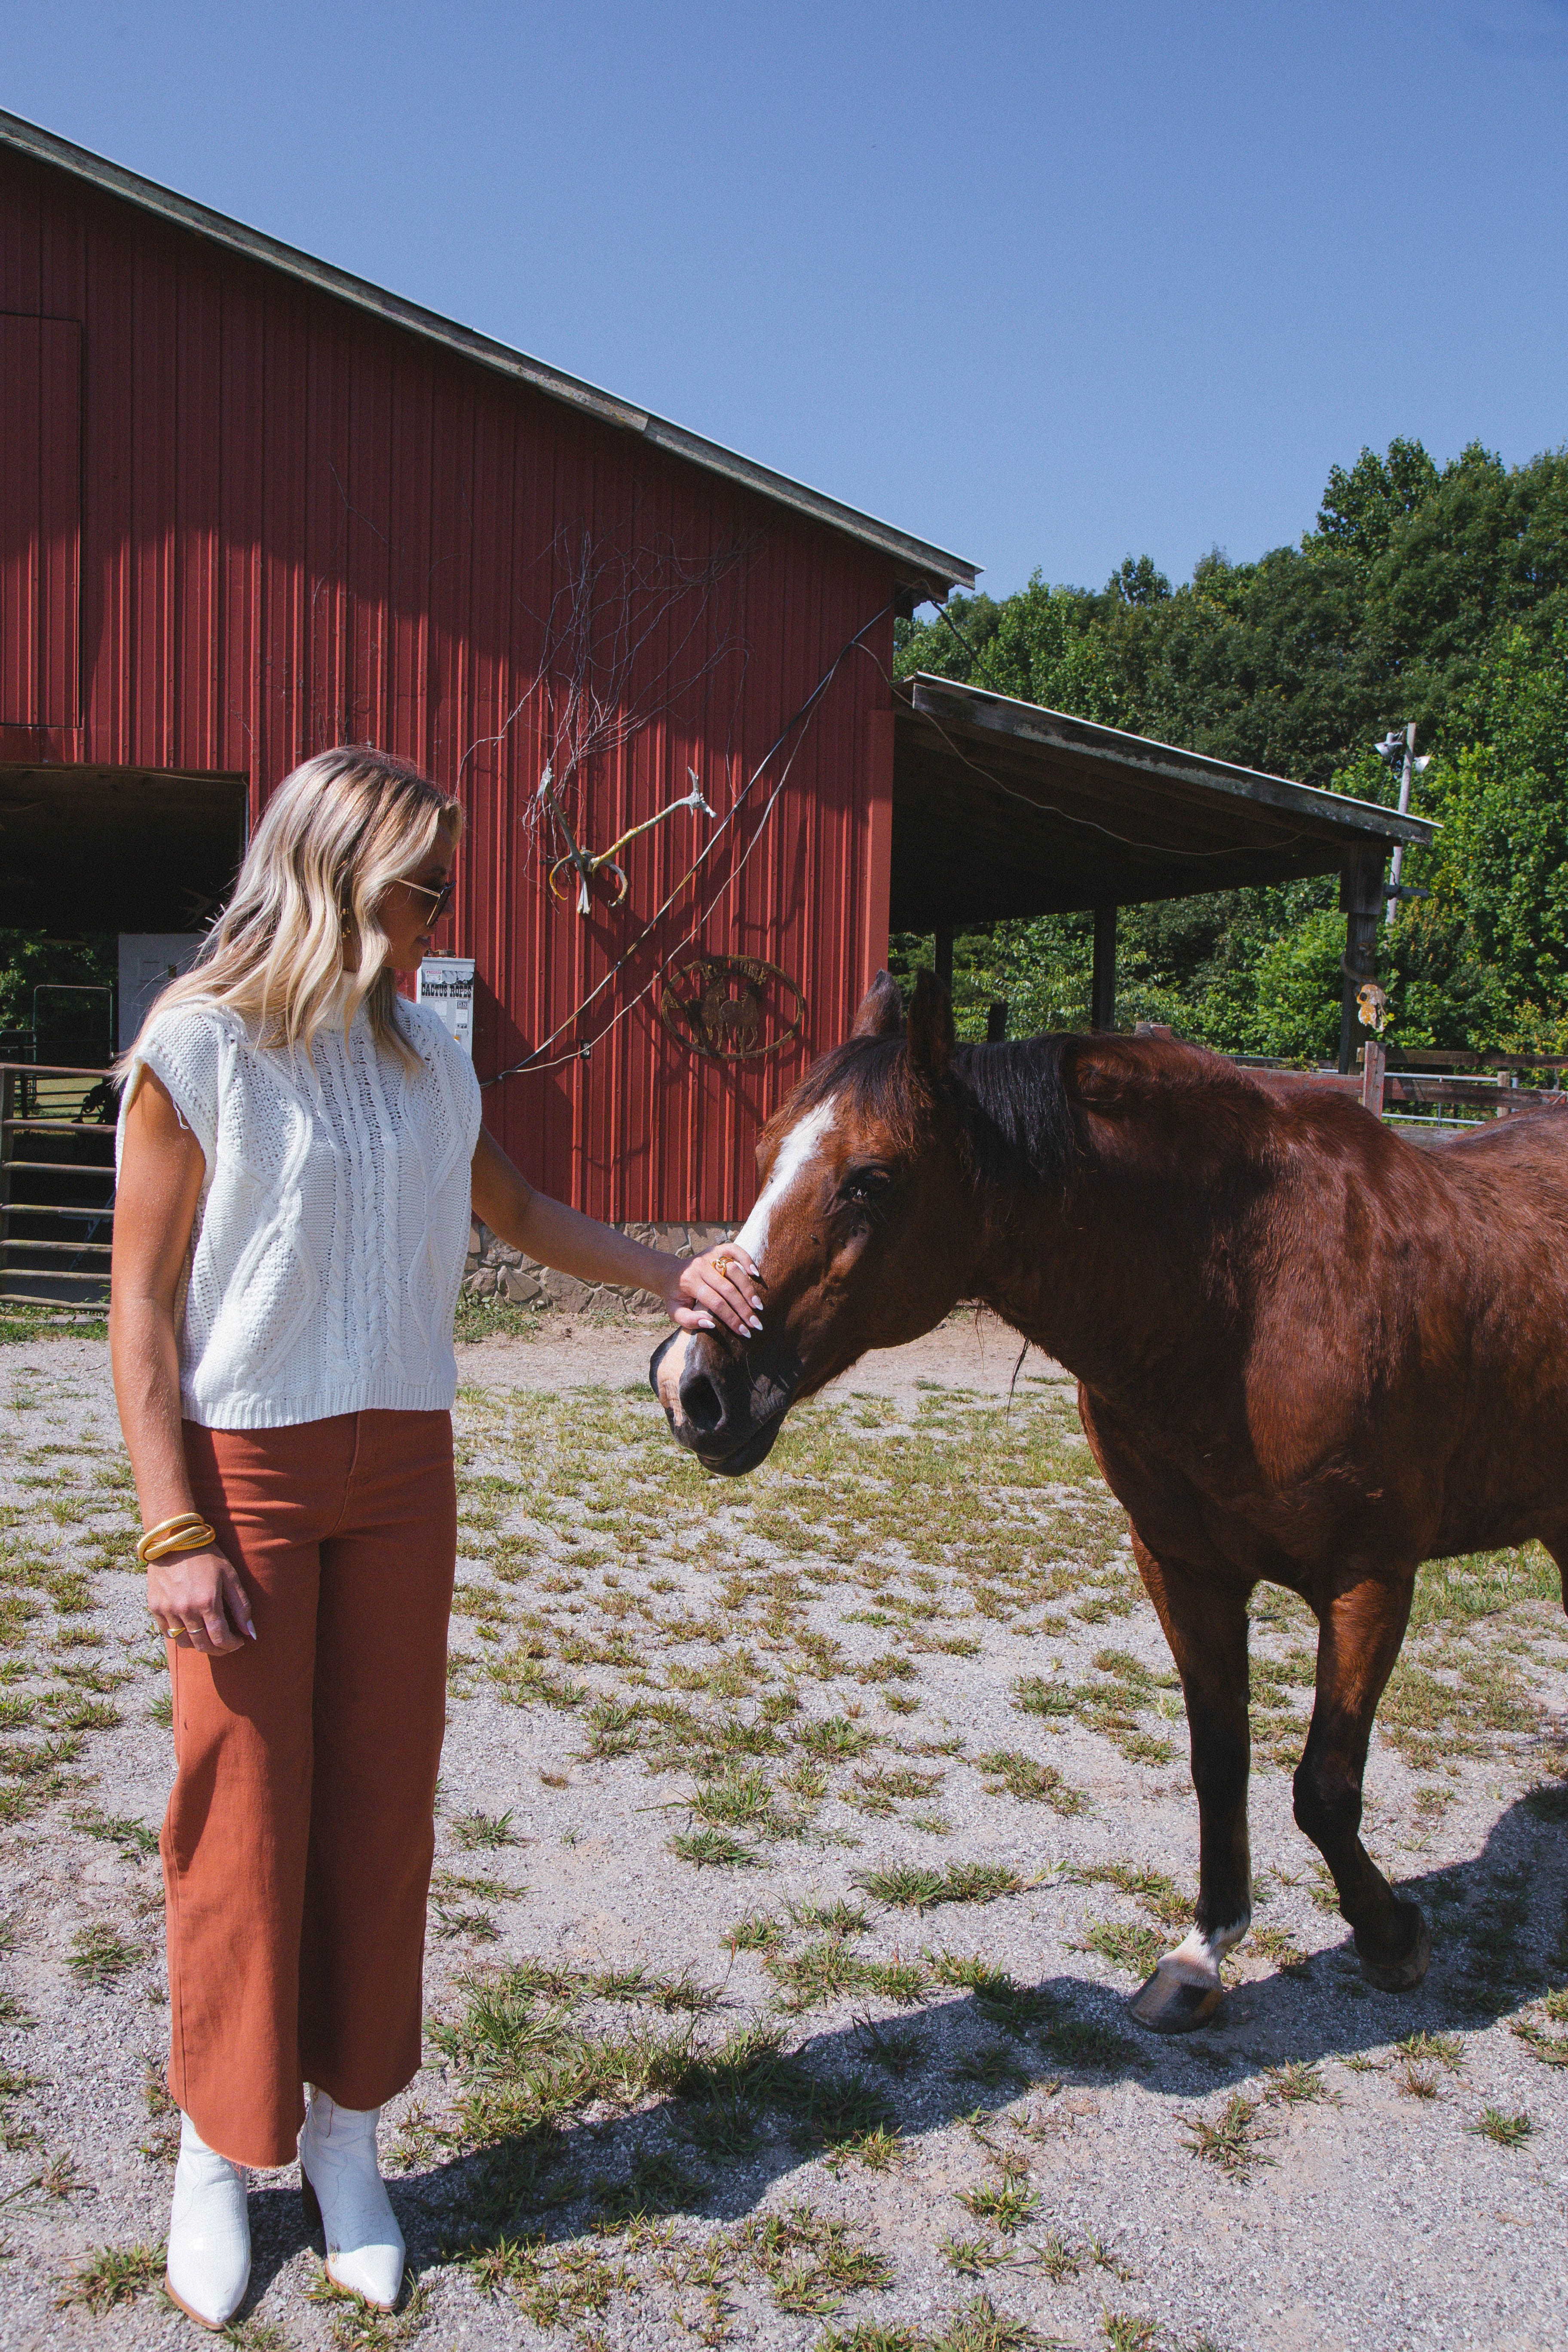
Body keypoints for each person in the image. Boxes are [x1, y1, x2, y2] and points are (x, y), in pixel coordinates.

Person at [109, 747, 762, 2330]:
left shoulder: (429, 1060)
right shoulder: (195, 1049)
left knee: (382, 1808)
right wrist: (171, 1522)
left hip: (406, 1467)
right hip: (247, 1474)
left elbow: (524, 1217)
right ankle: (219, 2153)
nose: (442, 919)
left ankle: (348, 2145)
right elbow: (138, 1307)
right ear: (339, 876)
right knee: (243, 1815)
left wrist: (675, 1274)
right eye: (425, 890)